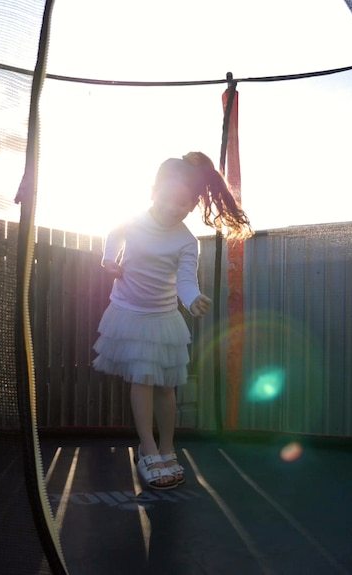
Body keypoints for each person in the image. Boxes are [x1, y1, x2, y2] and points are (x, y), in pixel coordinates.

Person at [92, 151, 252, 490]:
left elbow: (185, 281)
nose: (171, 208)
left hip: (163, 316)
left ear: (193, 205)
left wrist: (193, 299)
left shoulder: (185, 241)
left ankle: (167, 447)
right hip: (129, 313)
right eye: (166, 198)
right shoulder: (134, 221)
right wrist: (109, 260)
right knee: (143, 379)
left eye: (182, 204)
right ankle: (147, 447)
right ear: (153, 192)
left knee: (166, 386)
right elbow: (114, 234)